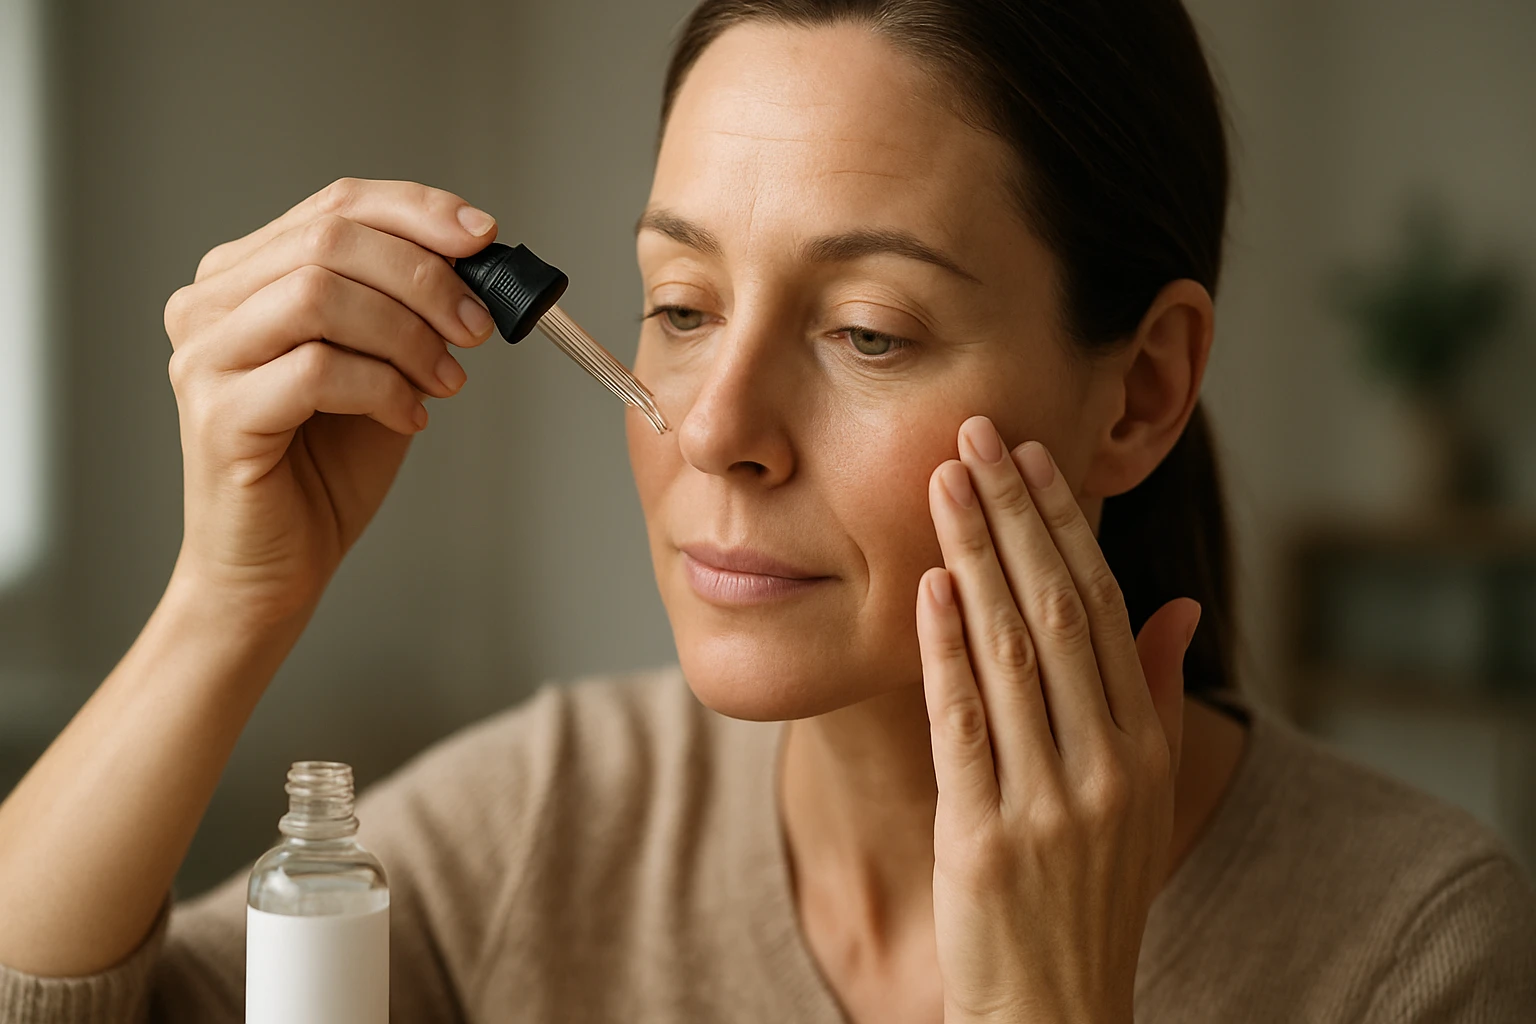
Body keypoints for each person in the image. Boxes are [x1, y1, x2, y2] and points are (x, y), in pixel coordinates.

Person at [2, 0, 1534, 1021]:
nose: (716, 431)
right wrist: (227, 600)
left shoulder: (1415, 951)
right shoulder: (551, 825)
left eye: (867, 331)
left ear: (1137, 392)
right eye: (678, 303)